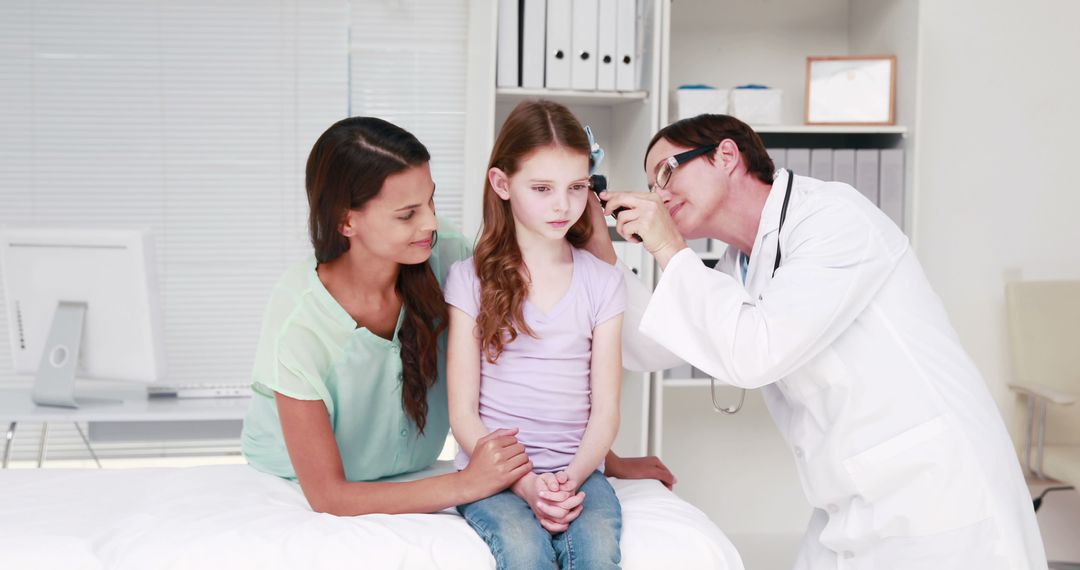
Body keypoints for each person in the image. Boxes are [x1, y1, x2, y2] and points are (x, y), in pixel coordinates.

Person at [599, 114, 1048, 569]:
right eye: (652, 185)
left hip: (934, 493)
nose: (659, 194)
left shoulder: (833, 218)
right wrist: (598, 254)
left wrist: (668, 249)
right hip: (852, 501)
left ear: (727, 156)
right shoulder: (741, 264)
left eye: (667, 171)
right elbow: (650, 346)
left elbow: (757, 353)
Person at [240, 115, 673, 518]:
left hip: (413, 467)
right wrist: (468, 484)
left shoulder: (446, 253)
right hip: (298, 477)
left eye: (431, 200)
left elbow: (538, 368)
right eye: (408, 214)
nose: (430, 221)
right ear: (345, 222)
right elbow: (328, 496)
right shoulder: (299, 323)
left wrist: (601, 461)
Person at [446, 100, 623, 569]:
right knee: (524, 553)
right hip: (495, 473)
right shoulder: (469, 280)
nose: (562, 204)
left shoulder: (603, 282)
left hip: (578, 469)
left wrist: (569, 477)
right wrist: (525, 483)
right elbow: (462, 414)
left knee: (598, 551)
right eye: (542, 188)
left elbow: (605, 413)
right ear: (502, 184)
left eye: (577, 187)